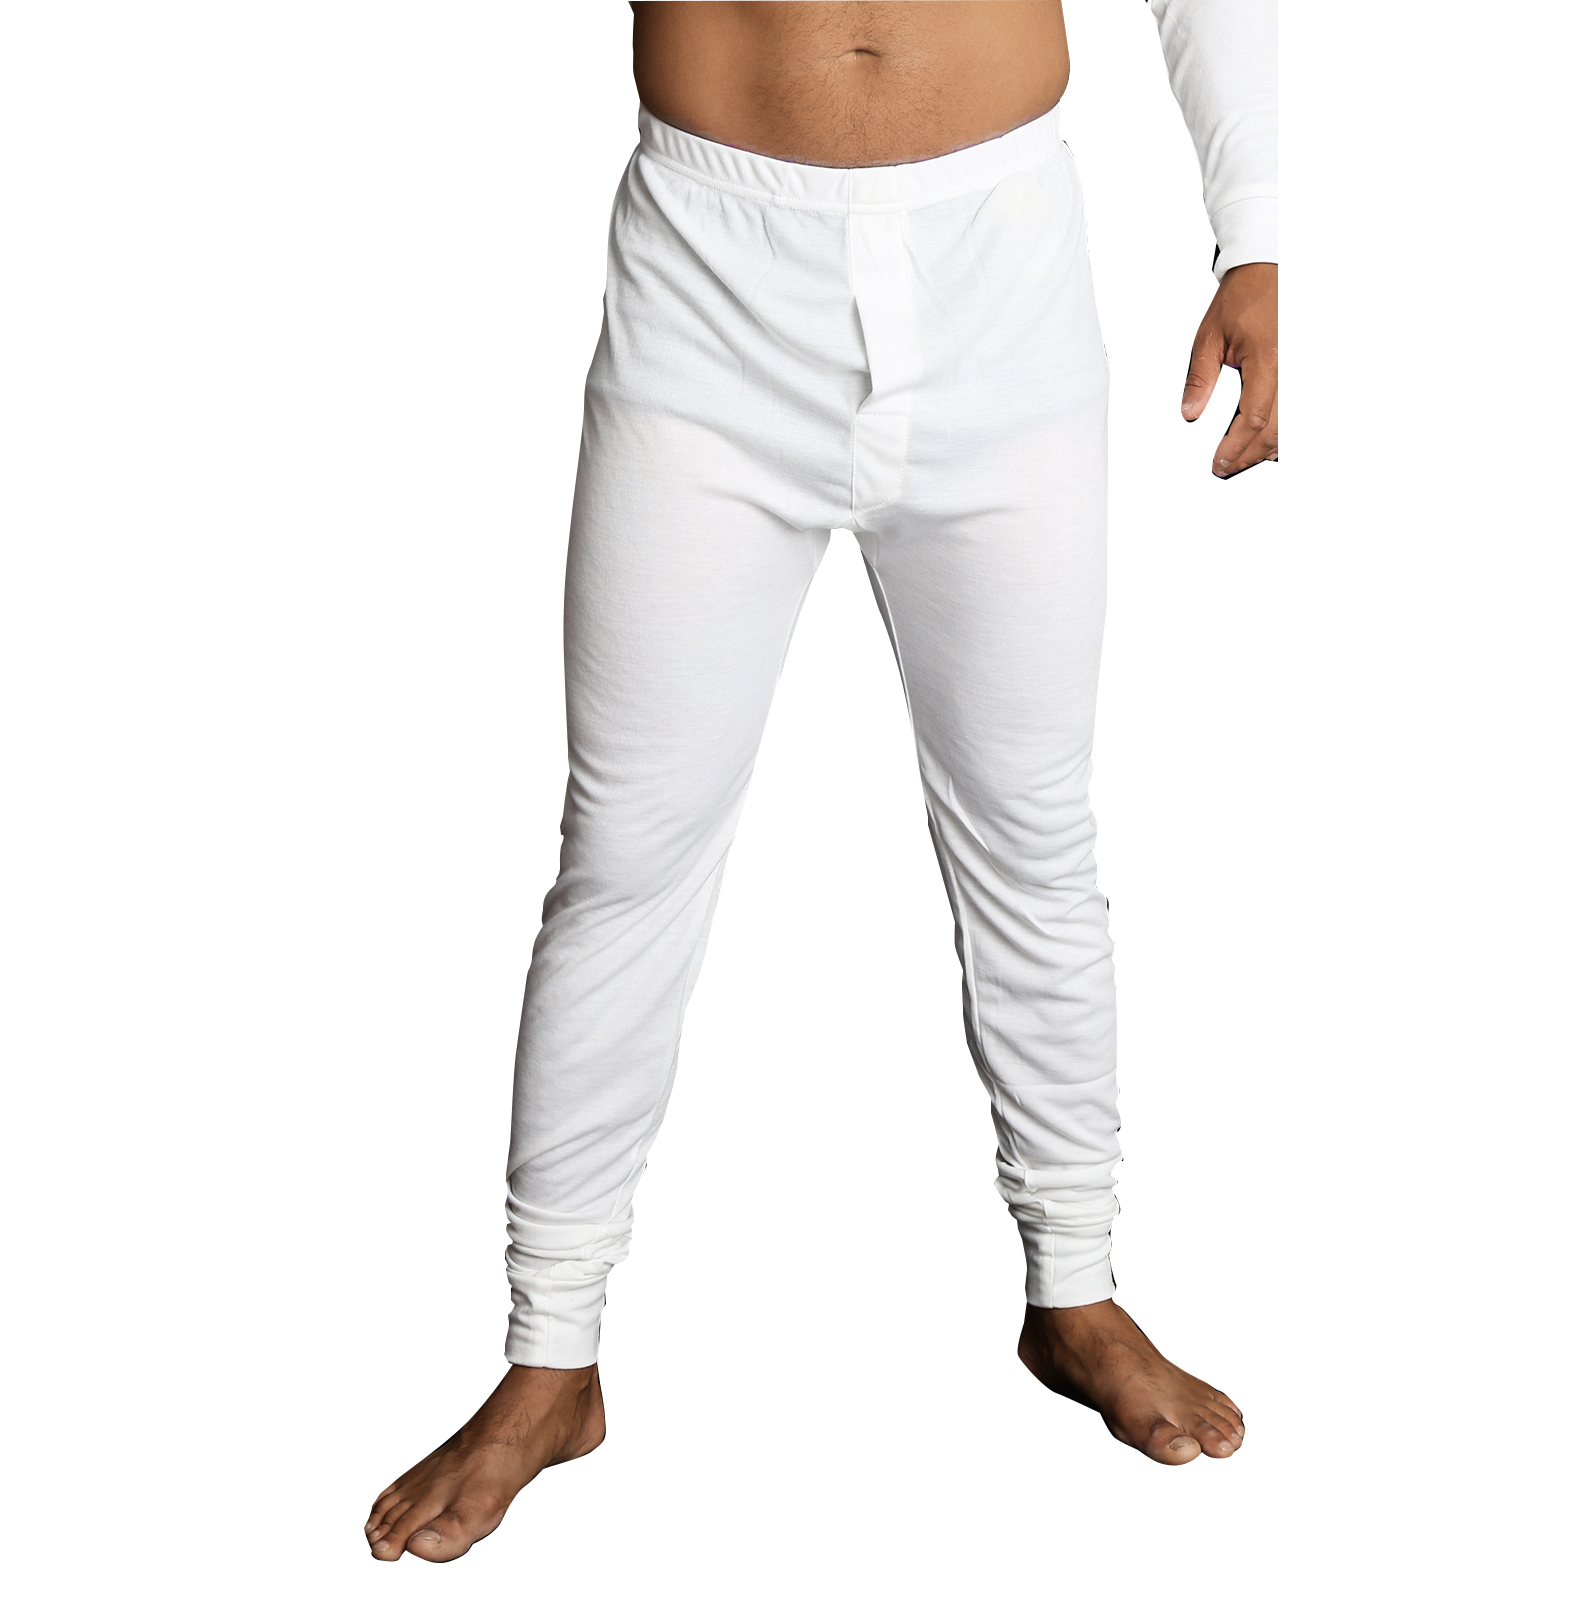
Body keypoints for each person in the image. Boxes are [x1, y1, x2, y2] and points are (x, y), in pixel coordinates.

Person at [367, 0, 1276, 1563]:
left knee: (1032, 831)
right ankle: (551, 1354)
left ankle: (1075, 1287)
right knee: (629, 853)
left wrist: (1254, 231)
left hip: (1000, 266)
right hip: (710, 279)